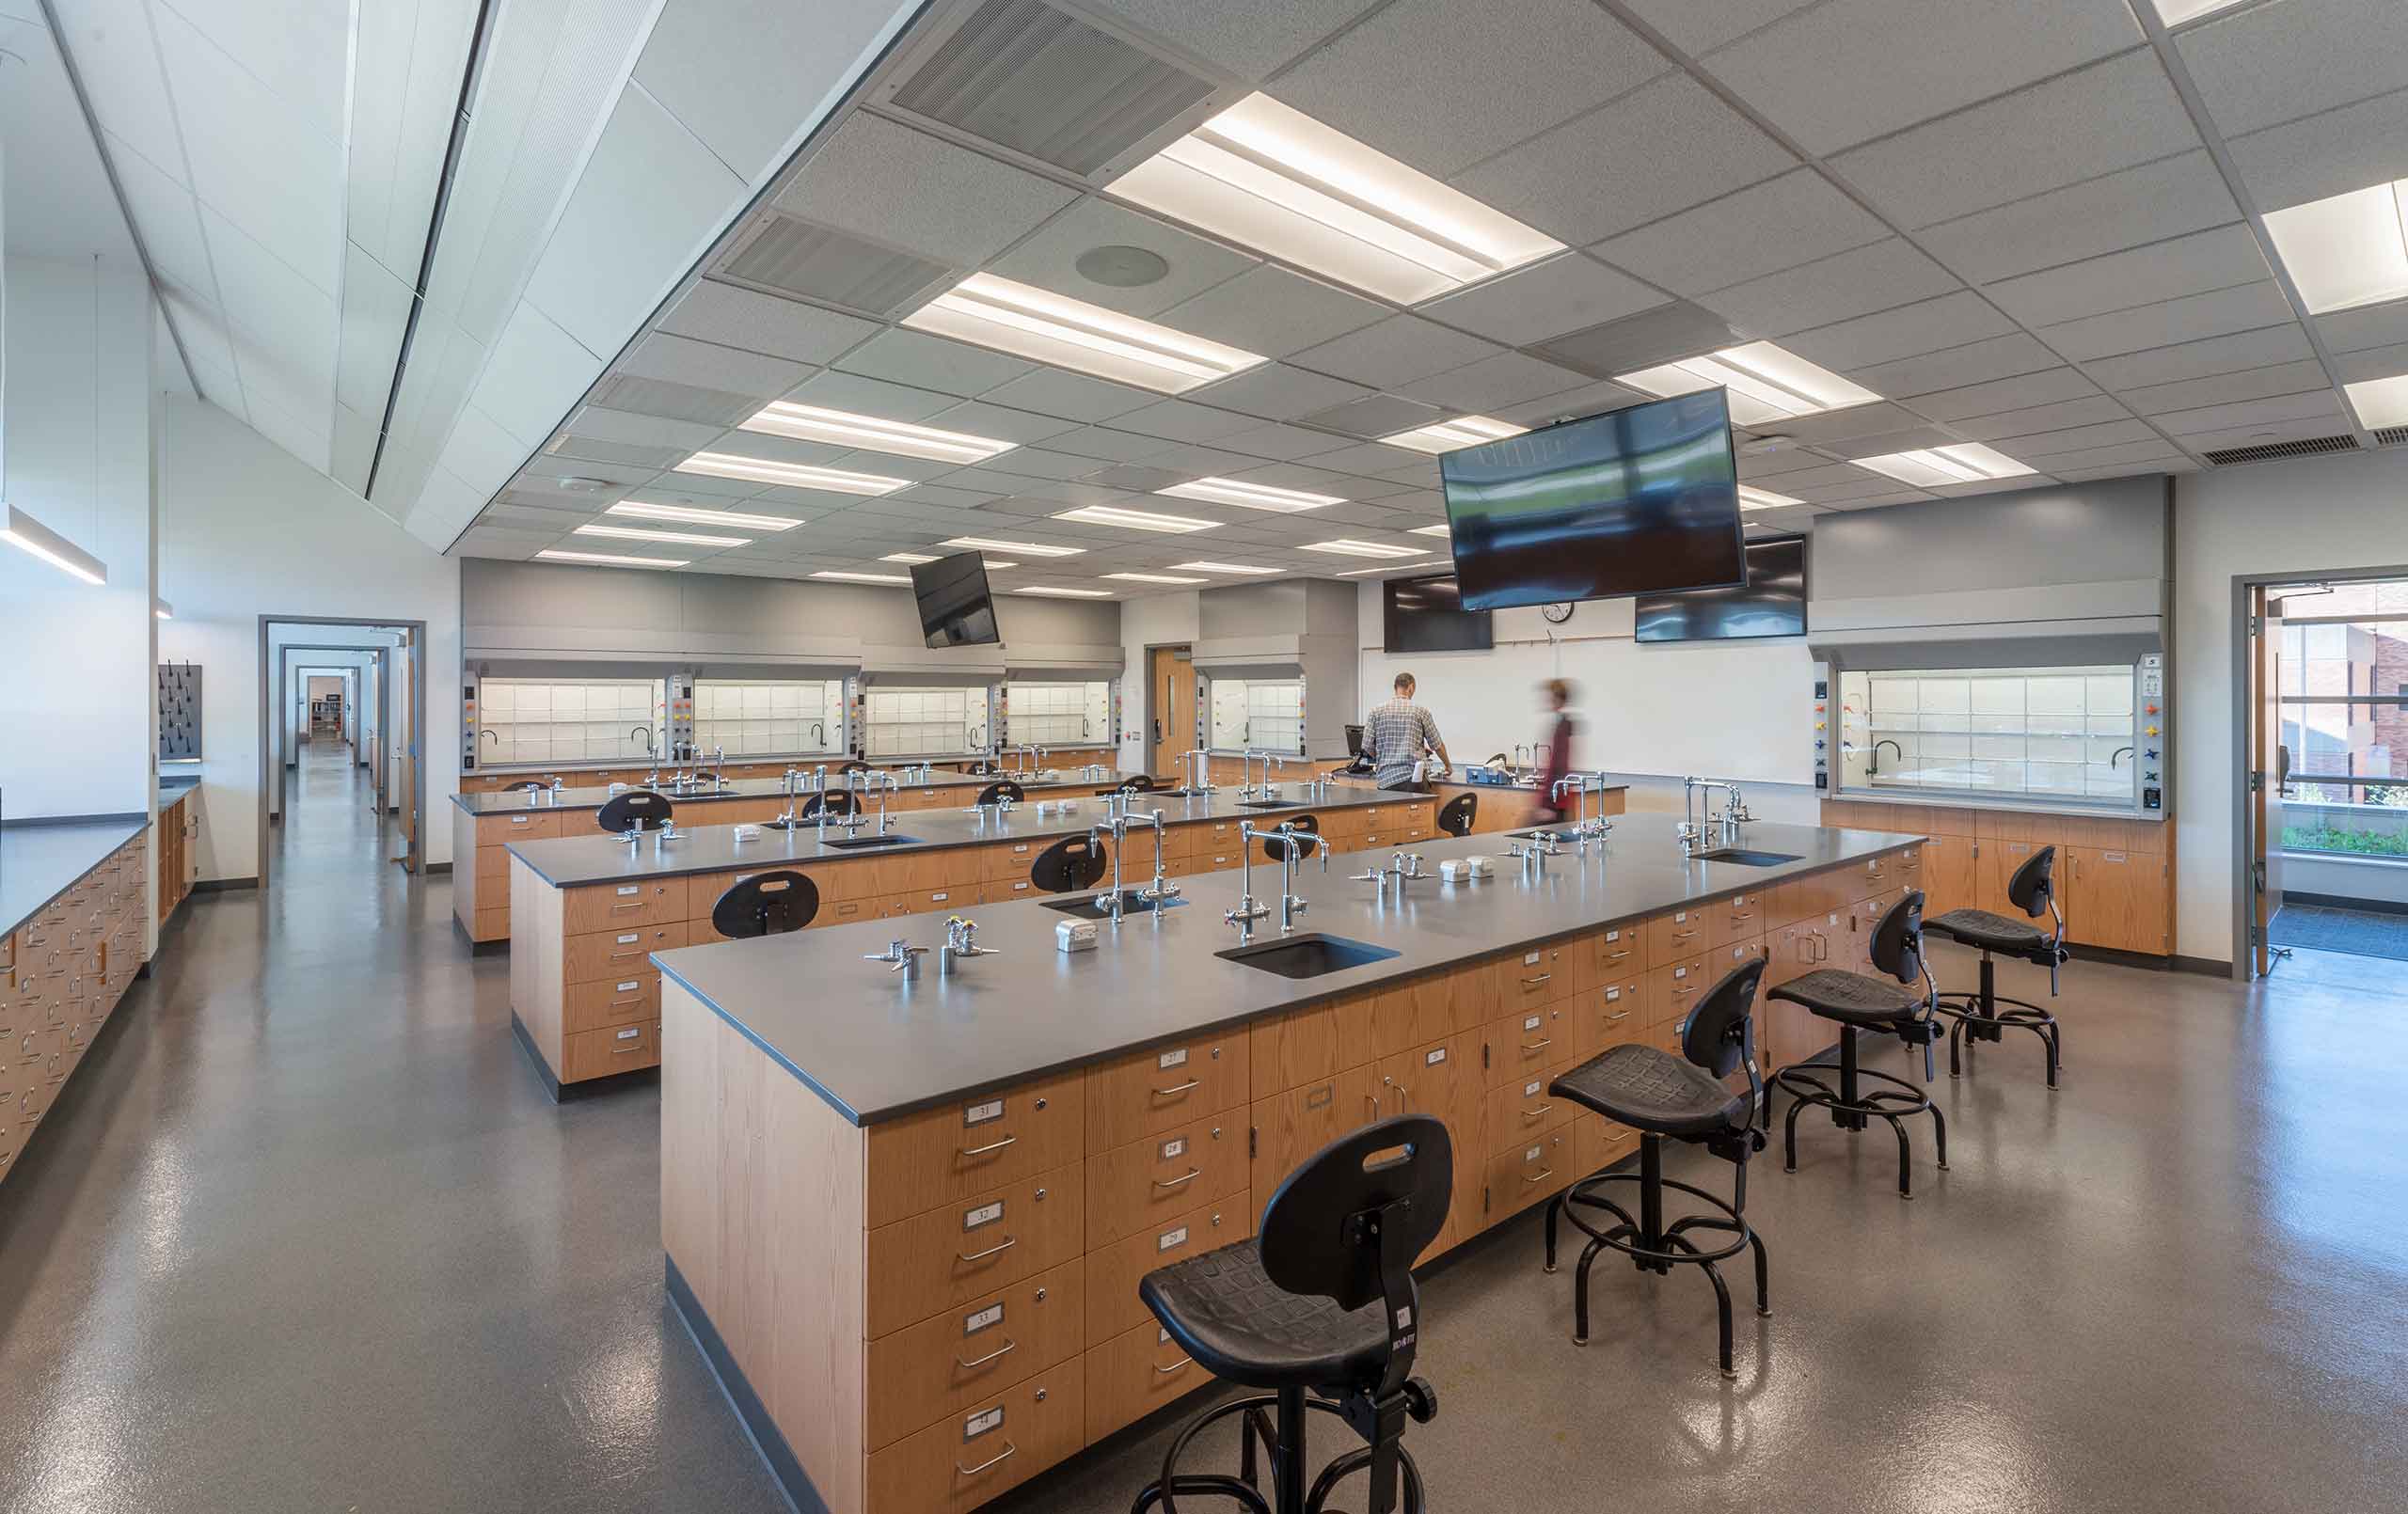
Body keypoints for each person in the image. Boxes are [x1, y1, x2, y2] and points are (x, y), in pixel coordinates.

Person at [1367, 672, 1450, 792]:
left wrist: (1384, 756)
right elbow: (1437, 745)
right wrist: (1448, 765)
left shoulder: (1376, 712)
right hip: (1413, 779)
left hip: (1386, 780)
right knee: (1421, 810)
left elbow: (1367, 745)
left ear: (1395, 687)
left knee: (1390, 811)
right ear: (1410, 688)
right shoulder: (1421, 711)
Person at [1533, 679, 1576, 821]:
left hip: (1557, 802)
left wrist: (1549, 805)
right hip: (1557, 800)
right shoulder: (1562, 723)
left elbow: (1559, 767)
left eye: (1549, 697)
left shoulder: (1563, 727)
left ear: (1557, 699)